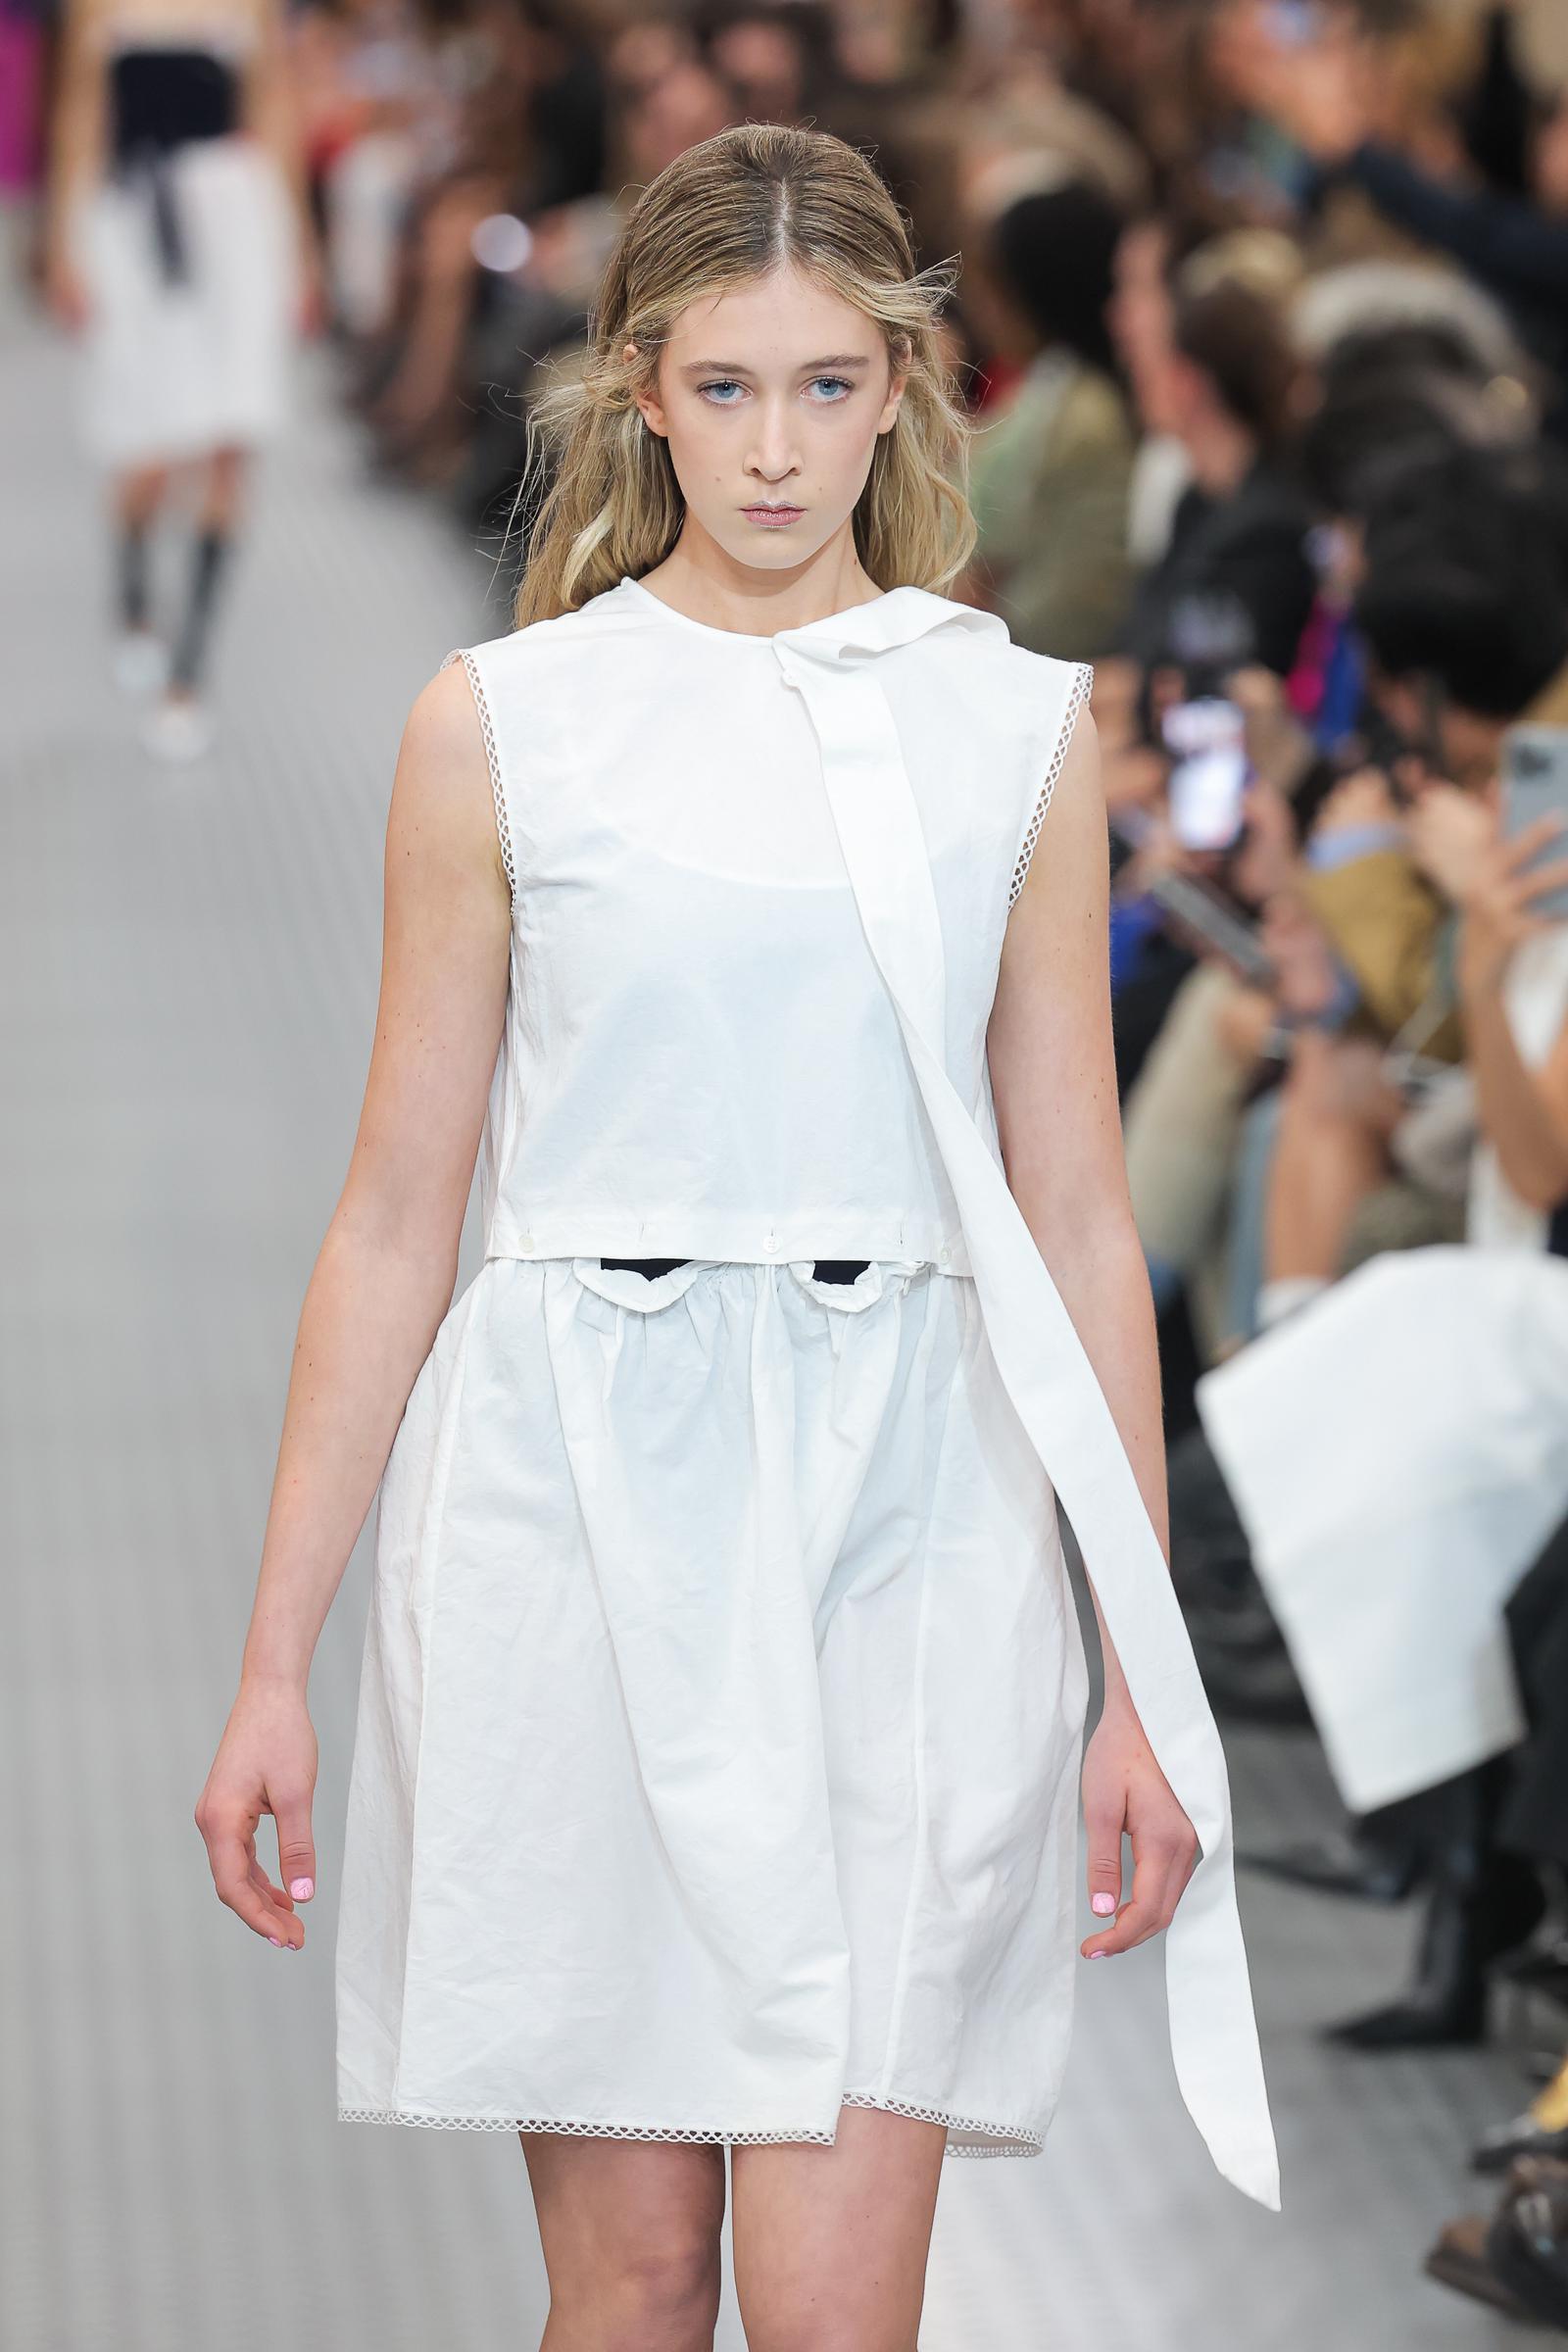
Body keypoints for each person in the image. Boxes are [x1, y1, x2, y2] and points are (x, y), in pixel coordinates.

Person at [194, 122, 1279, 2347]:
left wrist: (1139, 1680)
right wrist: (273, 1658)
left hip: (916, 1522)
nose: (774, 448)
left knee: (831, 2299)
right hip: (573, 1523)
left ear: (899, 387)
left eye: (821, 384)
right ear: (642, 390)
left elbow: (1080, 1213)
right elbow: (397, 1213)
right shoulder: (503, 728)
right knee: (630, 2285)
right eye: (722, 386)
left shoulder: (1009, 729)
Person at [42, 0, 318, 759]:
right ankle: (134, 587)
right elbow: (79, 118)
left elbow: (274, 111)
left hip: (235, 221)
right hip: (131, 224)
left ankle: (188, 667)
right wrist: (64, 243)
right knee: (146, 455)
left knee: (232, 438)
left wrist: (300, 250)